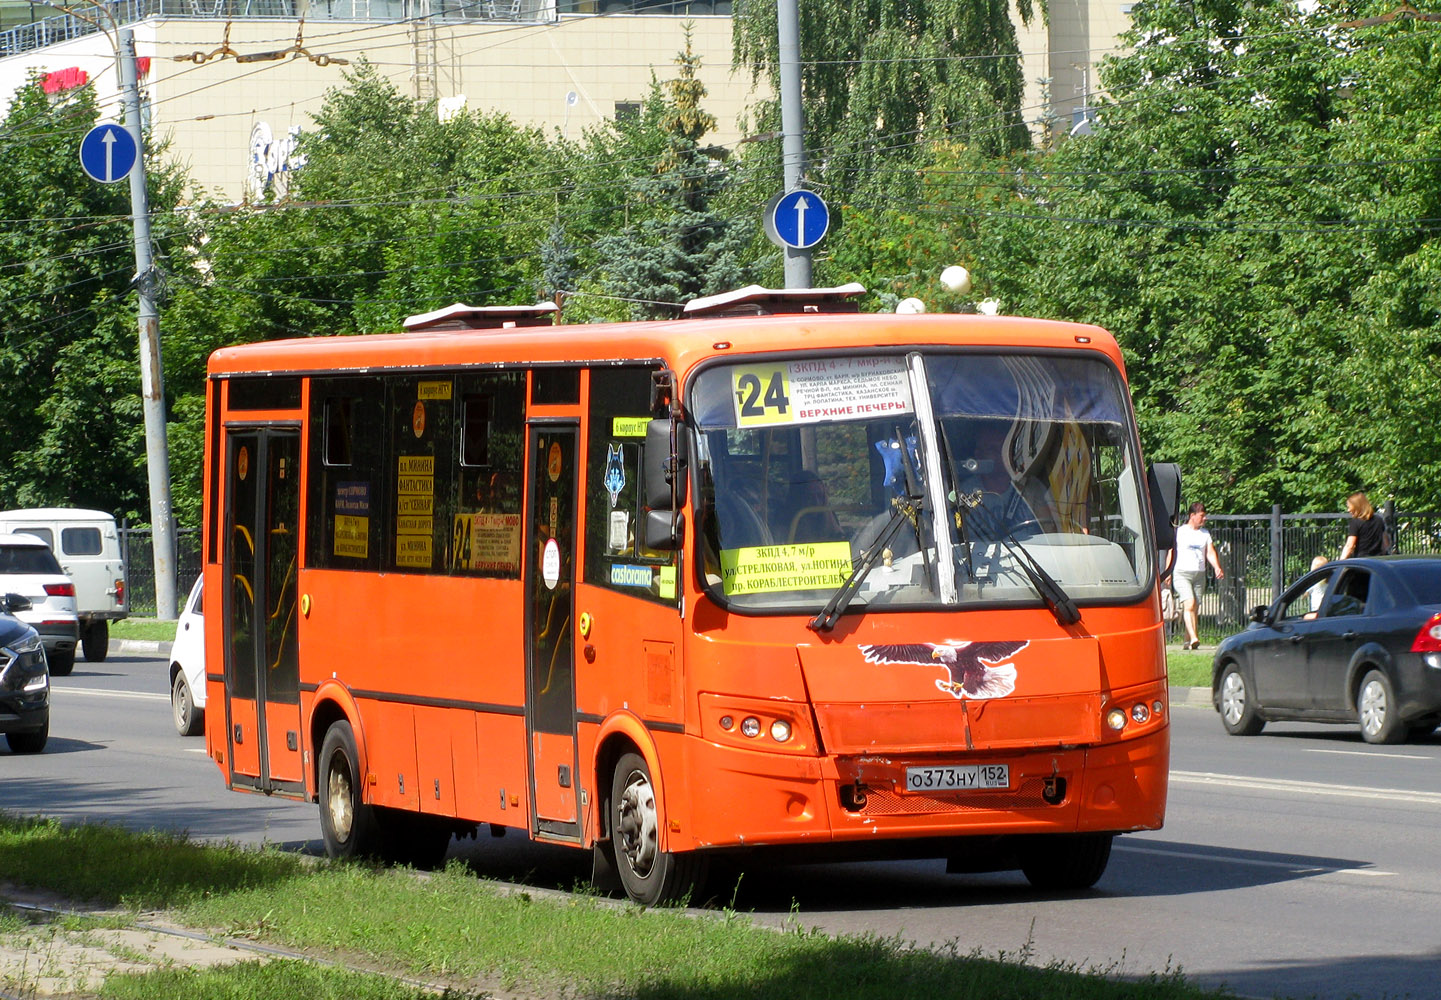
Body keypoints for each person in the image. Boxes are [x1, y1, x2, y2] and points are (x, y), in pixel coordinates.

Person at [1173, 502, 1224, 650]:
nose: (1205, 518)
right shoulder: (1180, 532)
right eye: (1202, 516)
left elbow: (1210, 552)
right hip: (1182, 573)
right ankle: (1195, 638)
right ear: (1192, 516)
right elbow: (1171, 550)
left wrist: (1216, 567)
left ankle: (1187, 640)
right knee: (1189, 603)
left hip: (1199, 574)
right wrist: (1167, 571)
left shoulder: (1205, 534)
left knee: (1195, 607)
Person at [1339, 491, 1391, 559]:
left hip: (1362, 561)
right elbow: (1386, 542)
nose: (1348, 510)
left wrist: (1340, 562)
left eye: (1349, 507)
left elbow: (1349, 546)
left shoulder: (1355, 522)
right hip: (1378, 560)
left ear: (1357, 507)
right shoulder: (1379, 520)